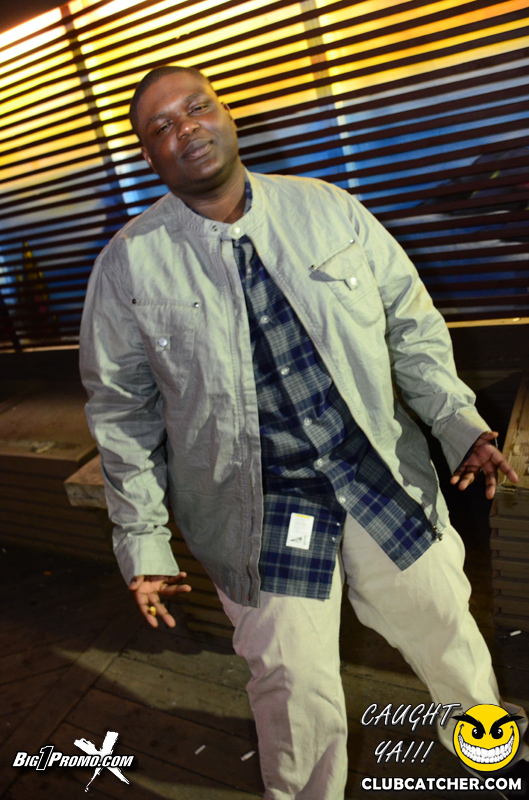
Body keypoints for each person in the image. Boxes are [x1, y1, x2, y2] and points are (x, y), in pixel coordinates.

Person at [79, 65, 528, 799]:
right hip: (256, 507)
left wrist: (457, 424)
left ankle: (490, 755)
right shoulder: (129, 264)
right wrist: (144, 540)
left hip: (372, 469)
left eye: (195, 107)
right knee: (295, 688)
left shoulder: (327, 209)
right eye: (161, 125)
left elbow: (410, 326)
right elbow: (122, 414)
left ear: (226, 114)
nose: (185, 128)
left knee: (447, 628)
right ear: (148, 153)